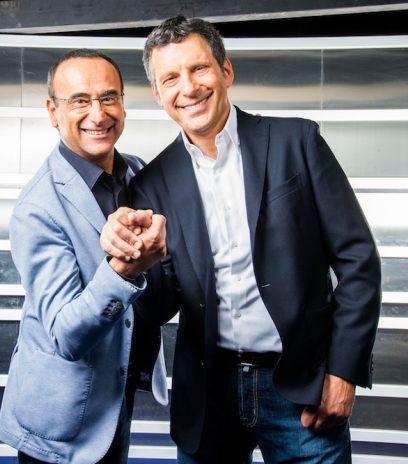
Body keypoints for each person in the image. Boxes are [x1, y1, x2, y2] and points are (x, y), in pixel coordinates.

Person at [100, 16, 382, 463]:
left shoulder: (297, 141)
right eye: (170, 78)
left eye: (199, 68)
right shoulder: (152, 184)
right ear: (157, 94)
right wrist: (133, 266)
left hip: (302, 388)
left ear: (226, 70)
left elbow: (358, 260)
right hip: (207, 396)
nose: (188, 88)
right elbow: (159, 307)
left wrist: (344, 372)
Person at [0, 48, 169, 464]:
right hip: (60, 419)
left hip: (115, 393)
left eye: (109, 97)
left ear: (123, 103)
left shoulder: (135, 171)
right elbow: (66, 336)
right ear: (53, 112)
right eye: (79, 101)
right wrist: (123, 271)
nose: (98, 113)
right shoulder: (37, 208)